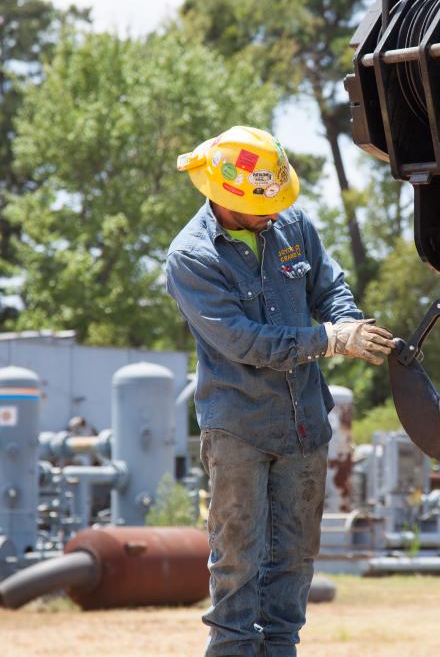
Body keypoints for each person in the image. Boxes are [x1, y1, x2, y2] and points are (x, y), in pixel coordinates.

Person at [166, 126, 395, 657]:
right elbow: (244, 342)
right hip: (239, 430)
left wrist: (348, 323)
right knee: (239, 561)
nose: (273, 211)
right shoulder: (192, 258)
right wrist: (328, 340)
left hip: (305, 425)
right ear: (224, 196)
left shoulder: (289, 224)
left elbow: (329, 286)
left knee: (294, 562)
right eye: (261, 204)